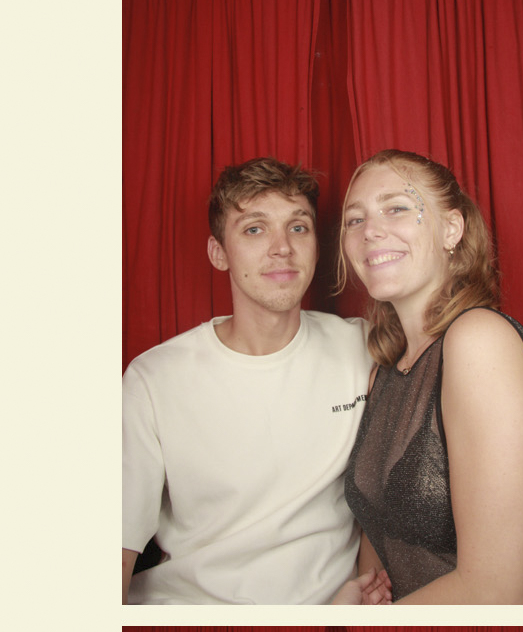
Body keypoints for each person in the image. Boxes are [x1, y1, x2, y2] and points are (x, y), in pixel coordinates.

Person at [122, 158, 387, 607]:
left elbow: (389, 501)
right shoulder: (153, 380)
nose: (282, 248)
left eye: (298, 228)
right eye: (254, 229)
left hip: (329, 619)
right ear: (218, 253)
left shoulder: (364, 348)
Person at [337, 151, 523, 603]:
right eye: (354, 220)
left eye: (396, 208)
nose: (370, 231)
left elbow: (493, 593)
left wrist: (357, 627)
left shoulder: (479, 341)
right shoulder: (387, 367)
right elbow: (380, 532)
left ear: (452, 230)